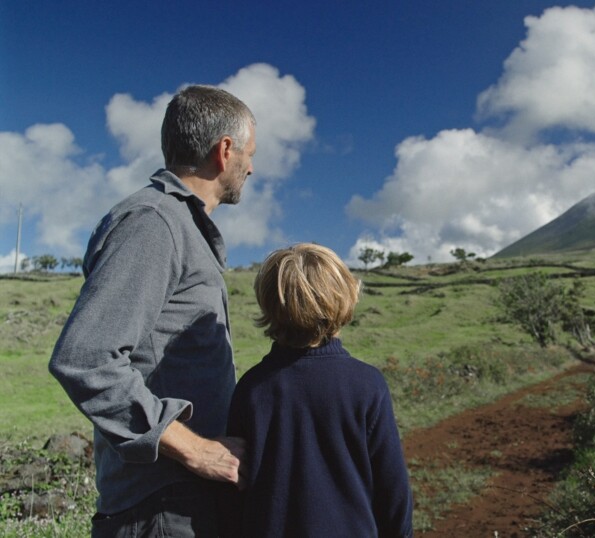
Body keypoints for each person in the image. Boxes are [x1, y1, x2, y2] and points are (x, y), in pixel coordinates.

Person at [49, 85, 256, 537]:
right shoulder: (155, 222)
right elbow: (84, 359)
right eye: (249, 154)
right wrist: (196, 450)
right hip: (160, 507)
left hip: (177, 501)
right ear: (225, 151)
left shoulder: (178, 225)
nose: (251, 167)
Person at [220, 243, 414, 537]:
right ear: (344, 297)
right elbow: (393, 491)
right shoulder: (367, 384)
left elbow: (234, 492)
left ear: (269, 304)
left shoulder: (251, 388)